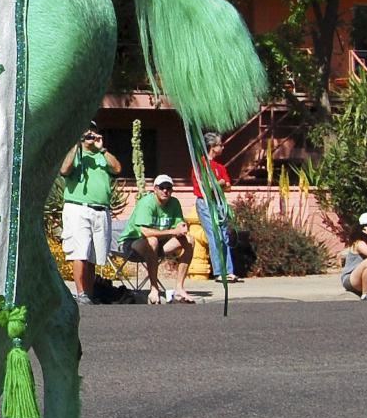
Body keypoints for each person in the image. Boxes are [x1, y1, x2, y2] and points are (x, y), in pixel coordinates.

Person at [58, 125, 122, 305]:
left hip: (101, 210)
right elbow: (64, 169)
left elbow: (117, 168)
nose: (90, 135)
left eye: (93, 132)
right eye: (86, 132)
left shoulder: (102, 156)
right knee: (81, 251)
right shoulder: (75, 154)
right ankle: (80, 293)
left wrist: (102, 149)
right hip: (78, 209)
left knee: (94, 254)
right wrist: (76, 145)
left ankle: (90, 294)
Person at [120, 175, 194, 303]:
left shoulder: (174, 203)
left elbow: (178, 226)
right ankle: (154, 288)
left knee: (190, 241)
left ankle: (179, 288)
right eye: (161, 187)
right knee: (152, 240)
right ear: (155, 189)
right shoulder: (147, 203)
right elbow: (145, 231)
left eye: (168, 188)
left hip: (160, 244)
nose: (165, 191)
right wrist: (173, 231)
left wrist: (182, 228)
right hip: (133, 244)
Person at [191, 132, 236, 282]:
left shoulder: (220, 167)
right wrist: (219, 183)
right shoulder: (201, 165)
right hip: (206, 203)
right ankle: (219, 272)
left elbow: (228, 186)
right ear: (212, 146)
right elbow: (206, 186)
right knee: (215, 235)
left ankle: (229, 271)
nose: (223, 147)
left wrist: (217, 184)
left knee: (224, 236)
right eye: (220, 144)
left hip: (219, 203)